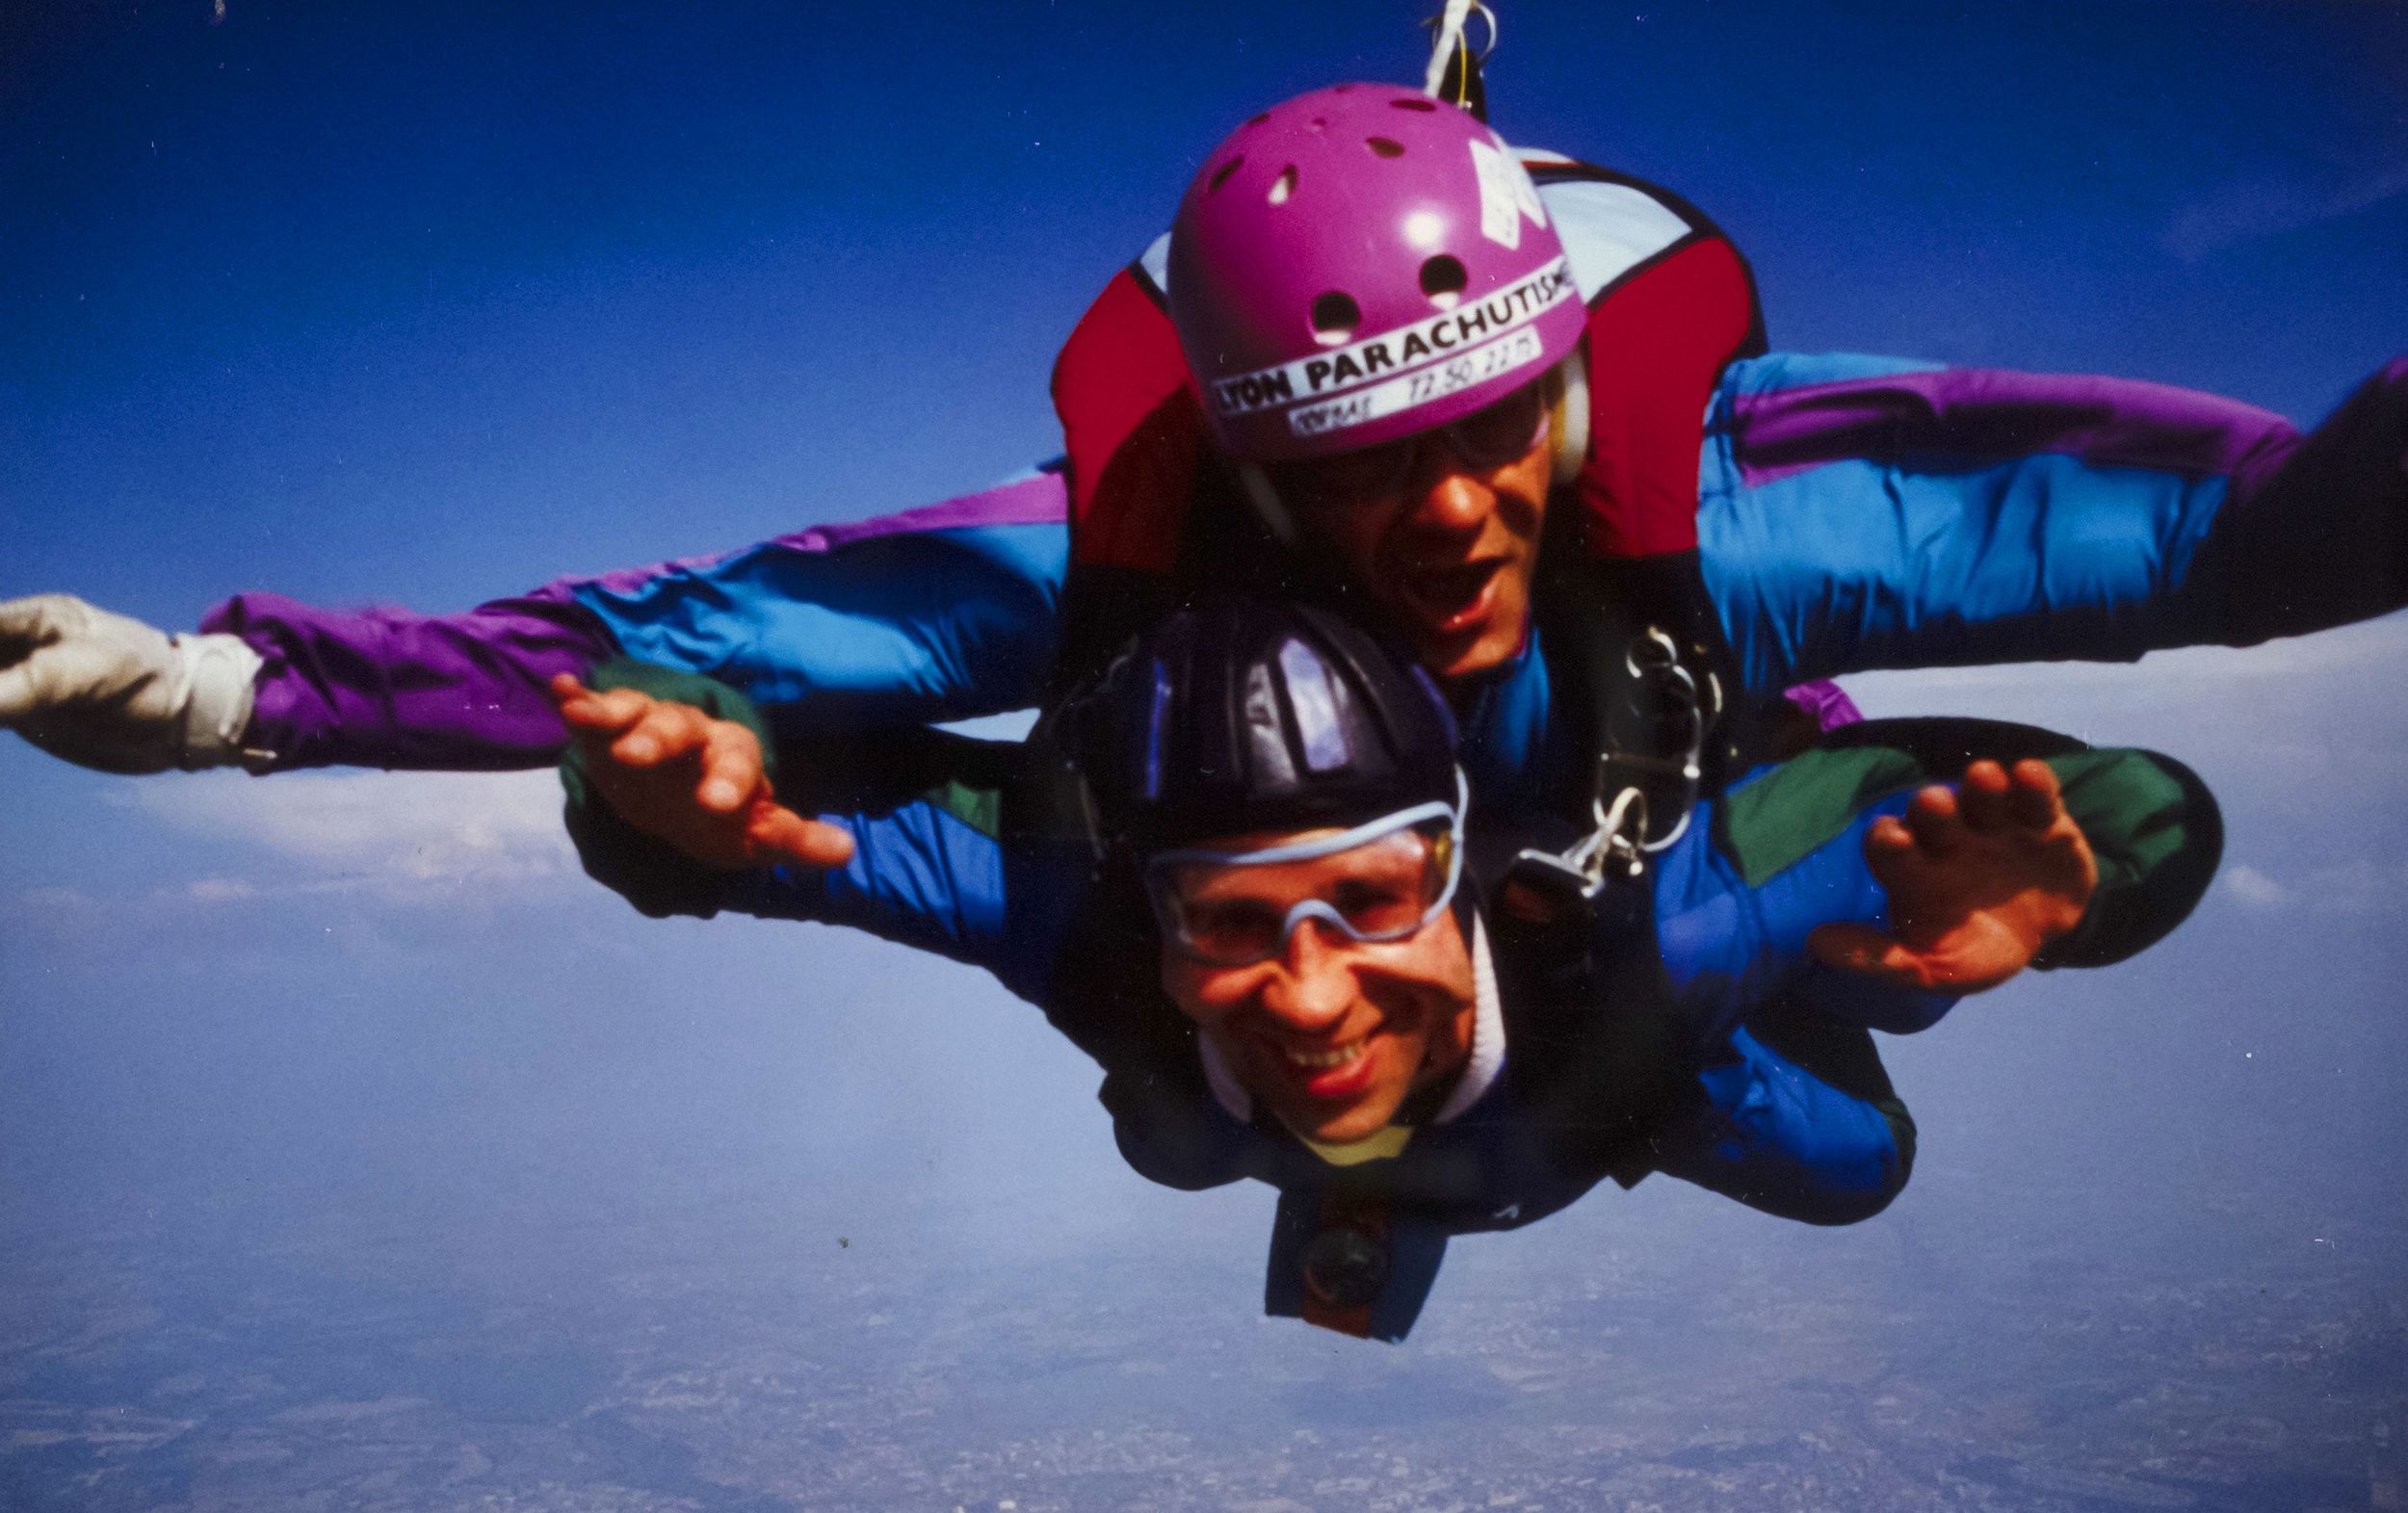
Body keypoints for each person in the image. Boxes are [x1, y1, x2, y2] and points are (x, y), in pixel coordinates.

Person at [0, 87, 2397, 804]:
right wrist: (228, 692)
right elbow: (673, 645)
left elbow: (2244, 536)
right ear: (1253, 467)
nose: (1449, 512)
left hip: (1657, 779)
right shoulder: (1108, 566)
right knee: (1175, 1055)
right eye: (1371, 473)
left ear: (1569, 391)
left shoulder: (1753, 535)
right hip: (1355, 913)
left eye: (1498, 436)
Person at [548, 600, 2222, 1342]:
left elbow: (2117, 809)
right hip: (1533, 1096)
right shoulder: (1073, 907)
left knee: (1856, 1144)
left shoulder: (1662, 915)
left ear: (1459, 865)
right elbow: (735, 818)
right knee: (1189, 1128)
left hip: (1641, 1036)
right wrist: (664, 765)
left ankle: (1833, 995)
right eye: (1226, 917)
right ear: (1152, 897)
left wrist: (2072, 880)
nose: (1312, 993)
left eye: (1370, 899)